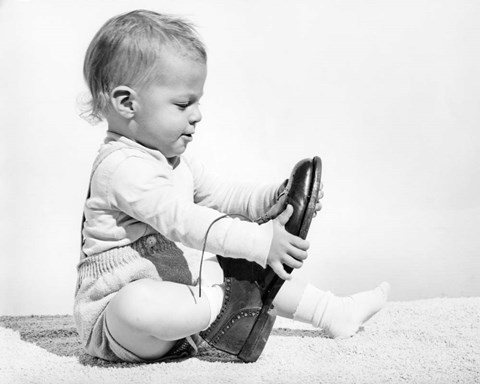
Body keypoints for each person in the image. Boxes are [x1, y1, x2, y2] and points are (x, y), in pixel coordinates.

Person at [74, 9, 390, 363]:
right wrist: (260, 242)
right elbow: (186, 220)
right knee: (138, 302)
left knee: (235, 266)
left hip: (183, 308)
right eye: (183, 103)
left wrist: (273, 199)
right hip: (123, 329)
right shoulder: (121, 168)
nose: (197, 114)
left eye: (197, 101)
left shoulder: (173, 160)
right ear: (127, 103)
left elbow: (219, 194)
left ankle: (332, 311)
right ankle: (227, 304)